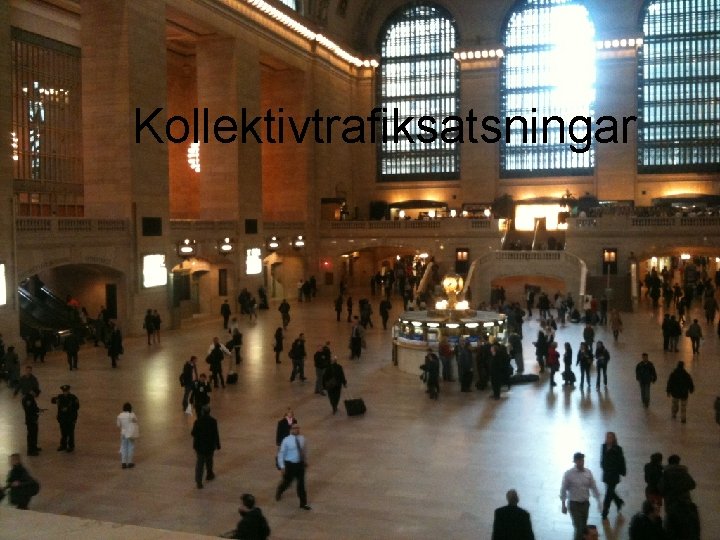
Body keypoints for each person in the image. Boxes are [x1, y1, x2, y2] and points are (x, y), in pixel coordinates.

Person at [560, 452, 601, 540]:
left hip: (585, 504)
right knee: (579, 527)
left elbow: (593, 486)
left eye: (582, 460)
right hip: (574, 504)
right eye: (579, 461)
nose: (581, 462)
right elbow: (563, 490)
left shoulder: (588, 473)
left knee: (583, 528)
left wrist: (598, 500)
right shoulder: (569, 474)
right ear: (575, 461)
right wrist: (563, 504)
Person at [275, 424, 310, 510]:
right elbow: (281, 454)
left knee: (301, 485)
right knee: (287, 482)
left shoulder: (302, 439)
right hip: (290, 465)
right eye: (294, 428)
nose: (296, 430)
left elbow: (303, 451)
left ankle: (303, 503)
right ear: (291, 430)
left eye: (298, 428)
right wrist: (282, 467)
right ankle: (280, 491)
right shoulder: (286, 440)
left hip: (300, 465)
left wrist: (304, 460)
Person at [191, 405, 221, 489]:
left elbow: (193, 433)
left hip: (200, 446)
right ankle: (209, 474)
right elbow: (216, 434)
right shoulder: (213, 421)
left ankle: (199, 482)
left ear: (202, 412)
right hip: (209, 445)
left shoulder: (197, 421)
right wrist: (218, 445)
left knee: (200, 464)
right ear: (209, 412)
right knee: (209, 460)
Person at [599, 431, 626, 520]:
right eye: (607, 437)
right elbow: (602, 458)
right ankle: (618, 501)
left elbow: (621, 461)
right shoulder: (603, 447)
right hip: (606, 474)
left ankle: (605, 511)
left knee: (608, 494)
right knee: (610, 492)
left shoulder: (618, 449)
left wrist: (622, 471)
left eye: (610, 437)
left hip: (614, 475)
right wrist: (602, 465)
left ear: (614, 439)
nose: (608, 439)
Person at [50, 384, 79, 452]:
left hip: (70, 418)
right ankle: (63, 445)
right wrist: (55, 400)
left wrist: (68, 409)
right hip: (62, 418)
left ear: (68, 390)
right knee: (63, 433)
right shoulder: (60, 397)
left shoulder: (73, 397)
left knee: (70, 433)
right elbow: (52, 401)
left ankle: (71, 446)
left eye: (66, 391)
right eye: (64, 391)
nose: (65, 392)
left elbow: (77, 407)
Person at [116, 402, 139, 469]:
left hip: (123, 433)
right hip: (130, 433)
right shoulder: (132, 415)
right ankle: (129, 462)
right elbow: (136, 421)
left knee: (123, 447)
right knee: (130, 448)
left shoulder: (120, 415)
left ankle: (123, 463)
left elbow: (118, 425)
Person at [21, 389, 42, 456]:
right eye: (36, 394)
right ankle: (31, 450)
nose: (36, 396)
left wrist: (38, 410)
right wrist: (36, 412)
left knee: (34, 434)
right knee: (31, 435)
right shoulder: (28, 398)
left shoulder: (30, 397)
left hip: (33, 419)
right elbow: (29, 410)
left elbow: (33, 407)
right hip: (31, 420)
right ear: (33, 392)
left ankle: (34, 447)